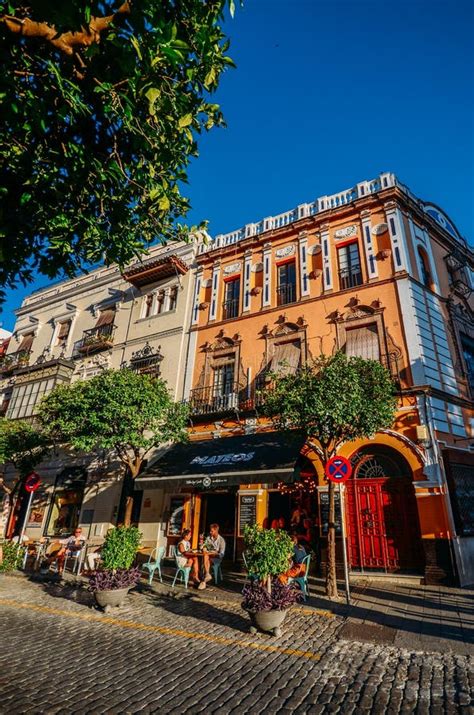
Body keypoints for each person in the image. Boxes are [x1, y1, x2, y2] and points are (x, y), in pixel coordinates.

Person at [199, 523, 226, 590]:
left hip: (217, 558)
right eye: (210, 531)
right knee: (206, 555)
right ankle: (207, 576)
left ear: (216, 531)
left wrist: (215, 553)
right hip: (209, 556)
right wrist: (204, 547)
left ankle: (205, 578)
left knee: (206, 556)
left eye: (212, 531)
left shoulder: (221, 540)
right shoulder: (208, 538)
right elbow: (204, 546)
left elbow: (222, 554)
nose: (210, 532)